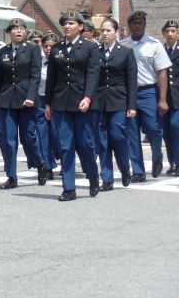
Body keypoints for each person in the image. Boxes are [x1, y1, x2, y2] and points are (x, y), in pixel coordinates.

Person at [45, 10, 100, 201]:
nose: (67, 27)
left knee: (86, 144)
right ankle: (69, 188)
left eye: (71, 23)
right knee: (65, 146)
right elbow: (52, 77)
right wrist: (48, 103)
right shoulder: (57, 48)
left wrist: (88, 97)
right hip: (60, 103)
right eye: (65, 24)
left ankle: (93, 175)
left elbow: (93, 74)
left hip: (82, 103)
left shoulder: (90, 48)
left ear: (81, 26)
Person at [0, 18, 47, 189]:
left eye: (22, 29)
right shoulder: (3, 51)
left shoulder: (32, 50)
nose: (18, 31)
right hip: (6, 99)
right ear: (9, 32)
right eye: (15, 29)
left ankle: (40, 165)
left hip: (26, 100)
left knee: (29, 137)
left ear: (26, 32)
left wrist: (31, 96)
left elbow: (35, 75)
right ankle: (11, 176)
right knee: (8, 139)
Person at [121, 10, 172, 181]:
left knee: (153, 128)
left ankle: (157, 154)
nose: (137, 26)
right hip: (129, 92)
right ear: (129, 26)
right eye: (134, 23)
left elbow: (162, 73)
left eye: (140, 23)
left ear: (144, 25)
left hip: (149, 91)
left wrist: (163, 99)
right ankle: (138, 171)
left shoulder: (154, 44)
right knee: (131, 132)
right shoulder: (123, 45)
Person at [94, 18, 137, 191]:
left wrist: (132, 105)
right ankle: (107, 178)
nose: (104, 33)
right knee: (102, 141)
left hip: (119, 99)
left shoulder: (126, 52)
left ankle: (124, 168)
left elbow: (131, 80)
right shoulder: (94, 51)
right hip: (100, 101)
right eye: (102, 30)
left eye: (108, 30)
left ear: (116, 32)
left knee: (118, 136)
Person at [35, 32, 60, 179]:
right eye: (46, 46)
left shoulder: (62, 60)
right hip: (40, 100)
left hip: (58, 101)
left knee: (57, 134)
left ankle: (63, 160)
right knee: (42, 134)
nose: (49, 49)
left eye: (52, 46)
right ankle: (48, 166)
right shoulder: (38, 61)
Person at [161, 19, 179, 176]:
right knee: (166, 132)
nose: (170, 34)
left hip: (178, 98)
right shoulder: (161, 50)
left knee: (176, 127)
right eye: (167, 31)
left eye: (173, 31)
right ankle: (172, 162)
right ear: (163, 34)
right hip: (164, 98)